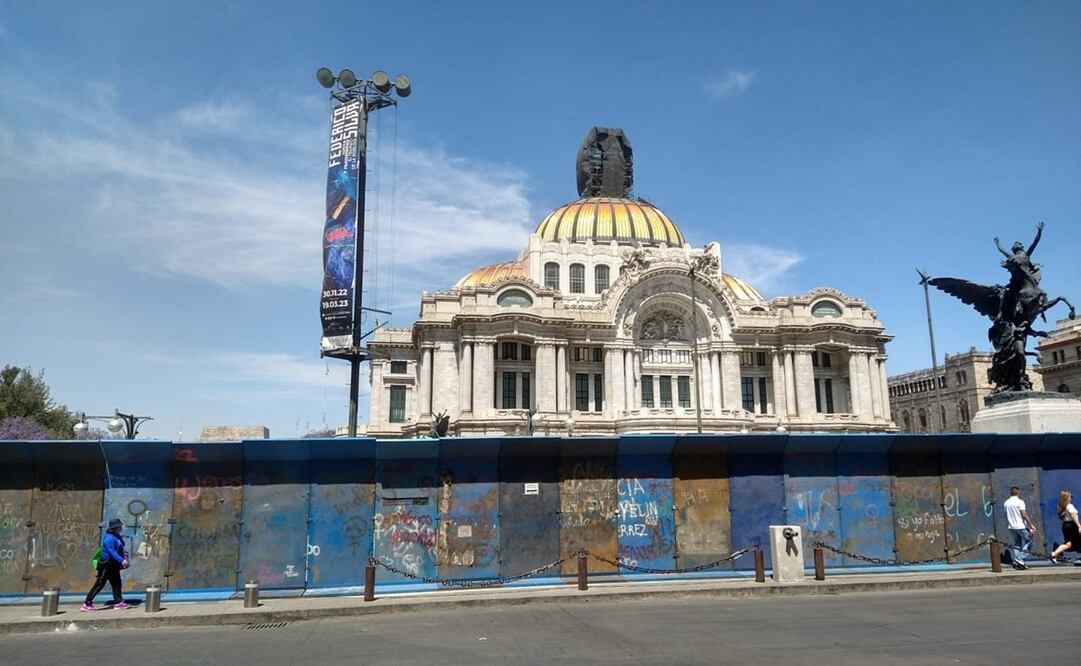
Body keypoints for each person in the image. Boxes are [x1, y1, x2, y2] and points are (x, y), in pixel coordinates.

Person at [81, 518, 131, 611]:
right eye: (119, 526)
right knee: (100, 583)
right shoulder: (109, 538)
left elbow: (121, 546)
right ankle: (87, 603)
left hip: (114, 564)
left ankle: (118, 602)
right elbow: (111, 552)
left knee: (116, 583)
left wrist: (124, 555)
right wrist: (121, 560)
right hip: (106, 564)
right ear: (115, 527)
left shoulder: (116, 536)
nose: (121, 528)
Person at [1003, 487, 1036, 569]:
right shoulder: (1020, 502)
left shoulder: (1006, 503)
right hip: (1021, 526)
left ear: (1011, 493)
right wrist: (1031, 525)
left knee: (1017, 544)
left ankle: (1017, 562)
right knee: (1030, 542)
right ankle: (1019, 558)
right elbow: (1024, 514)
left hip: (1011, 527)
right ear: (1018, 493)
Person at [1050, 491, 1081, 565]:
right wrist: (1079, 526)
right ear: (1067, 498)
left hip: (1065, 525)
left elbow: (1061, 517)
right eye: (1070, 496)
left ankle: (1054, 554)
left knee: (1068, 544)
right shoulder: (1070, 506)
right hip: (1072, 525)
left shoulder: (1060, 507)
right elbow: (1073, 516)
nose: (1071, 498)